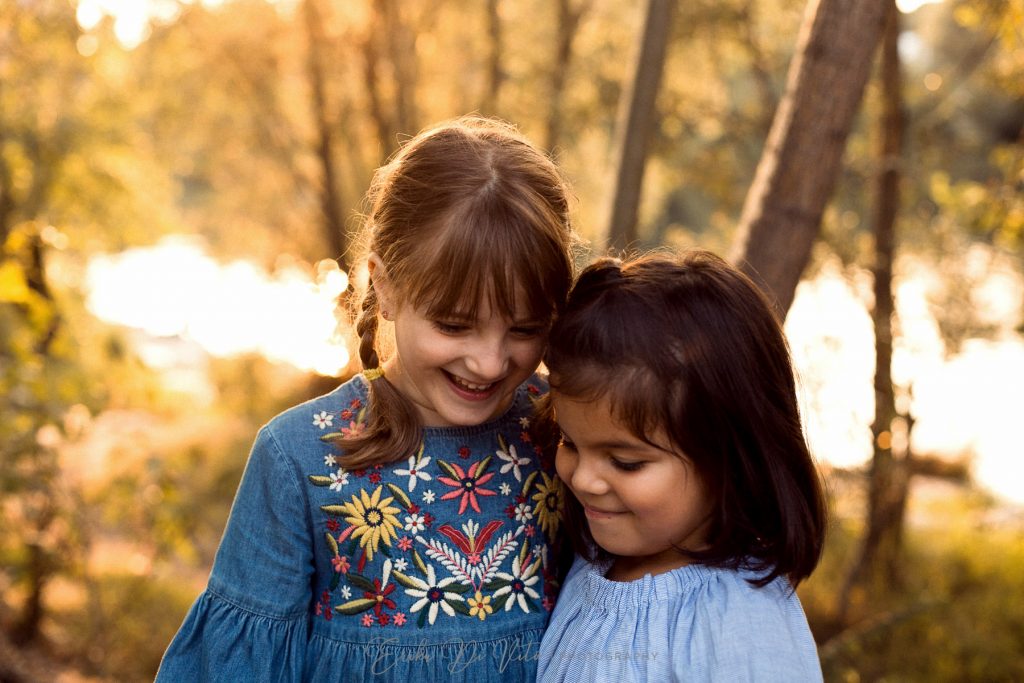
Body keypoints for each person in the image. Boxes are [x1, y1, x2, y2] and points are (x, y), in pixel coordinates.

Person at [156, 116, 577, 682]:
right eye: (454, 326)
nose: (490, 362)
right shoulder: (299, 460)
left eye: (525, 329)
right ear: (384, 285)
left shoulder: (566, 435)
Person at [537, 251, 827, 682]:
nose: (583, 479)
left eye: (626, 462)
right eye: (569, 442)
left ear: (727, 459)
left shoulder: (741, 619)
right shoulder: (589, 563)